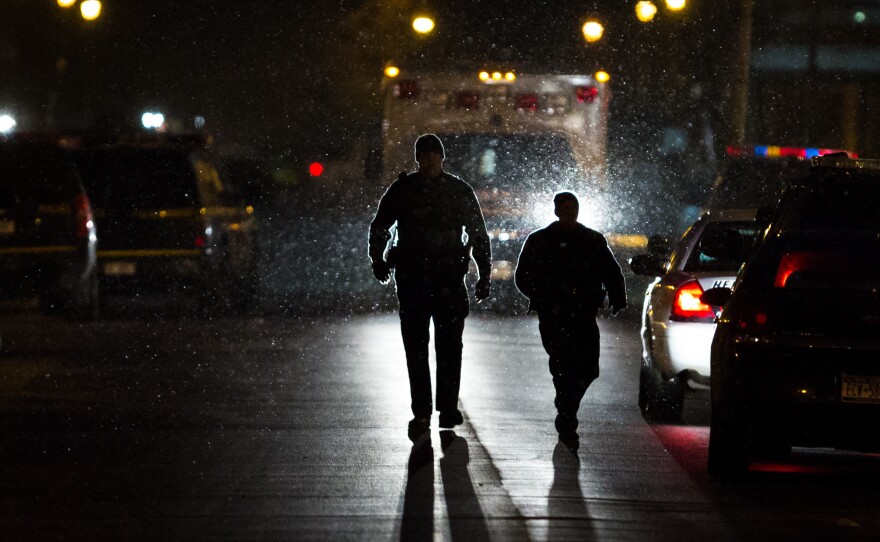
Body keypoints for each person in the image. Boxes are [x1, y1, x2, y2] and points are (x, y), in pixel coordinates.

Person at [369, 133, 491, 440]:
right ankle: (422, 411)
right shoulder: (404, 189)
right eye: (423, 155)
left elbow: (478, 235)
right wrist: (378, 259)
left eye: (433, 154)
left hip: (447, 279)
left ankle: (446, 407)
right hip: (414, 279)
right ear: (417, 158)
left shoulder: (457, 191)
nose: (428, 159)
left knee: (449, 347)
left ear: (441, 157)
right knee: (417, 348)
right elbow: (381, 226)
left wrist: (485, 273)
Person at [515, 191, 626, 444]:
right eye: (564, 209)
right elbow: (523, 276)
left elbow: (611, 271)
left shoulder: (592, 240)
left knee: (588, 368)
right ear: (556, 212)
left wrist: (618, 297)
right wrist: (543, 297)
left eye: (572, 209)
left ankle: (567, 403)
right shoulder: (540, 240)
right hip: (554, 315)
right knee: (562, 364)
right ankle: (567, 413)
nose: (569, 214)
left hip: (584, 314)